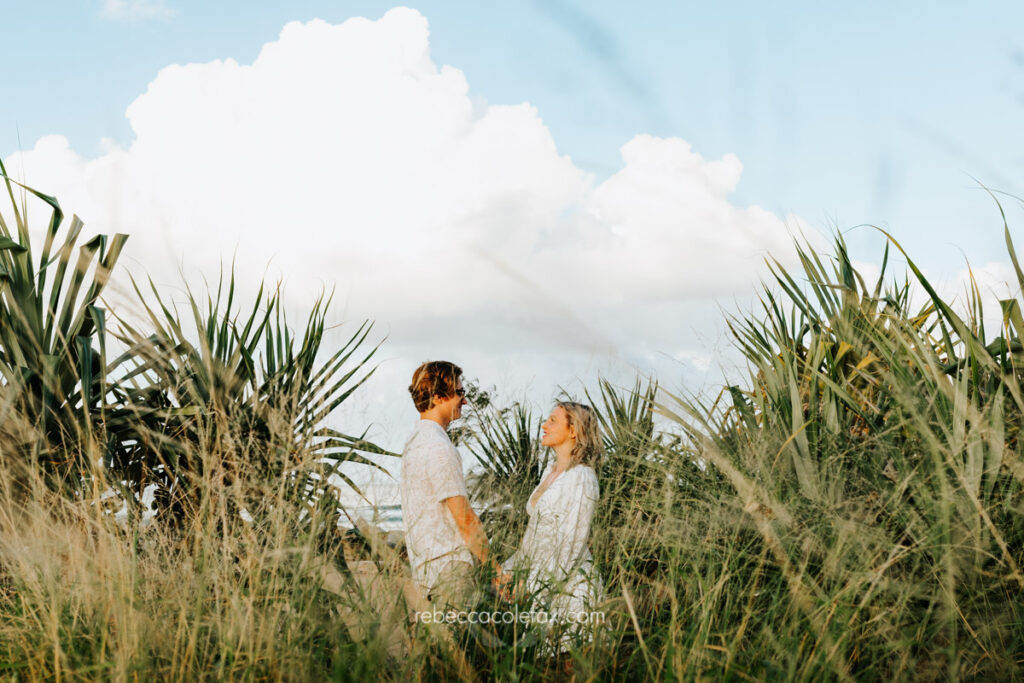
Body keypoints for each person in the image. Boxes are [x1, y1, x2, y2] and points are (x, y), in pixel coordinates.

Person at [399, 360, 506, 609]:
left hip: (426, 573)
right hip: (451, 571)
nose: (464, 401)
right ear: (438, 397)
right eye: (459, 392)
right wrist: (496, 571)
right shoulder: (438, 447)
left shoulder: (413, 443)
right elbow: (464, 518)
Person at [500, 401, 605, 651]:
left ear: (573, 431)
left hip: (570, 592)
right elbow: (535, 536)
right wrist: (507, 573)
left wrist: (533, 588)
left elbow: (570, 544)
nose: (544, 425)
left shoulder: (581, 477)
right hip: (542, 588)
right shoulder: (551, 471)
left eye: (553, 421)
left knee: (566, 661)